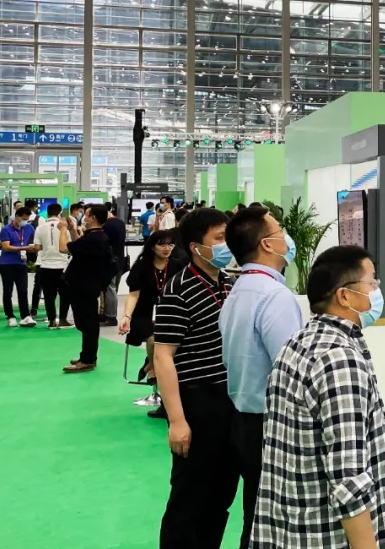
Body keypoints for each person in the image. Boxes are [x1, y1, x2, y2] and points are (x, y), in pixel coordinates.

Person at [252, 245, 385, 549]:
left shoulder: (299, 342)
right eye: (372, 282)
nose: (377, 291)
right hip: (326, 537)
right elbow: (348, 479)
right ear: (344, 296)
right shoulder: (339, 360)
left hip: (290, 529)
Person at [153, 207, 239, 548]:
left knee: (221, 493)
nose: (227, 245)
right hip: (197, 401)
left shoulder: (228, 283)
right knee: (189, 495)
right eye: (219, 238)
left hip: (228, 400)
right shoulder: (179, 290)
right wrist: (177, 420)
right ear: (195, 246)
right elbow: (163, 356)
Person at [219, 206, 303, 547]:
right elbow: (291, 371)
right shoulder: (274, 296)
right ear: (267, 244)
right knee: (271, 522)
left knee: (255, 516)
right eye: (280, 231)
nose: (287, 238)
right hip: (270, 426)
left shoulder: (239, 290)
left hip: (244, 421)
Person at [121, 229, 184, 407]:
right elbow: (133, 294)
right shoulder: (142, 266)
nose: (167, 248)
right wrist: (126, 316)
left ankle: (150, 363)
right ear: (152, 247)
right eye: (162, 245)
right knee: (154, 337)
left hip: (170, 312)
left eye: (170, 244)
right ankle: (154, 368)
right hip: (144, 313)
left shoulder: (179, 265)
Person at [60, 204, 116, 372]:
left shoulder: (94, 238)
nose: (83, 216)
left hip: (84, 285)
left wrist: (62, 230)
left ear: (92, 218)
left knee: (87, 323)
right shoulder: (96, 236)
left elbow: (63, 248)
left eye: (86, 214)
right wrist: (72, 230)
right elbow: (78, 247)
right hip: (88, 283)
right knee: (86, 322)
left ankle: (88, 359)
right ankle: (87, 356)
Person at [33, 203, 72, 330]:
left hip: (45, 265)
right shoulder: (65, 227)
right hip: (62, 266)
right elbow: (70, 246)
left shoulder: (40, 228)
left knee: (49, 294)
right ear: (59, 213)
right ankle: (63, 319)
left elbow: (37, 247)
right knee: (65, 294)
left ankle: (51, 321)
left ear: (47, 213)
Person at [0, 207, 38, 327]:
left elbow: (35, 241)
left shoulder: (29, 228)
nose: (25, 221)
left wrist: (35, 248)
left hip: (21, 264)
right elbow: (6, 247)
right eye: (23, 219)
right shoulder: (6, 230)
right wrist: (24, 248)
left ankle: (25, 316)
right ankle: (10, 316)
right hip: (7, 264)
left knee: (23, 290)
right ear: (17, 217)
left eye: (27, 219)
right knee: (8, 291)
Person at [101, 202, 127, 326]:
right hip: (120, 260)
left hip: (110, 261)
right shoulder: (120, 222)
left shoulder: (107, 226)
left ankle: (111, 316)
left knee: (110, 289)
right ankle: (107, 314)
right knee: (113, 288)